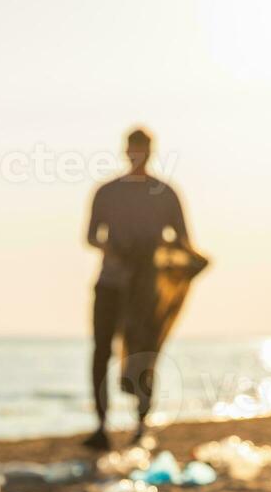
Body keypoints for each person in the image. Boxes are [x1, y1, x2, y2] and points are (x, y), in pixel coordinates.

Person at [83, 128, 199, 451]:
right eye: (134, 150)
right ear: (125, 151)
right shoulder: (106, 192)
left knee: (144, 354)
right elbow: (91, 236)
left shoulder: (165, 193)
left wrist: (158, 247)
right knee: (101, 351)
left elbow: (183, 240)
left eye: (143, 150)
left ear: (151, 152)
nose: (138, 156)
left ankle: (141, 424)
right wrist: (116, 249)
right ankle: (101, 426)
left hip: (147, 288)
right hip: (111, 282)